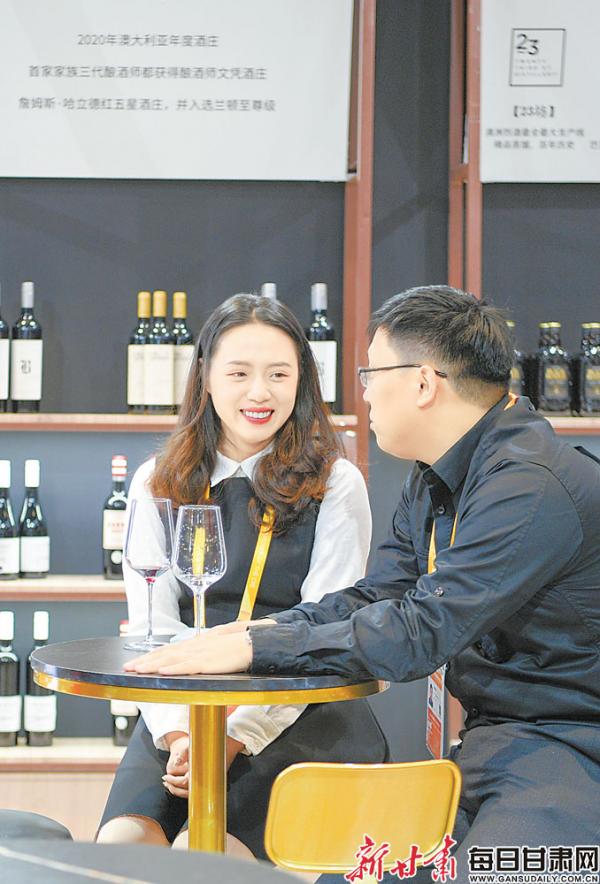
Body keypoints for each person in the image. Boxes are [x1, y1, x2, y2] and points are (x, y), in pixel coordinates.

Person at [127, 286, 600, 880]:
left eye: (372, 374)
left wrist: (256, 645)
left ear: (423, 383)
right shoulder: (436, 476)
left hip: (568, 747)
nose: (365, 392)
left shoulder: (527, 485)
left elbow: (423, 630)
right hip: (493, 741)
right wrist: (259, 634)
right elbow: (378, 595)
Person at [97, 293, 388, 859]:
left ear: (302, 382)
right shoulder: (157, 480)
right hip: (183, 707)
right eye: (239, 374)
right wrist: (181, 733)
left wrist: (232, 735)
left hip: (299, 704)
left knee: (205, 854)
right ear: (206, 378)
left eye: (279, 374)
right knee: (123, 847)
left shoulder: (335, 482)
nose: (260, 393)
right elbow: (153, 628)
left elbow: (324, 628)